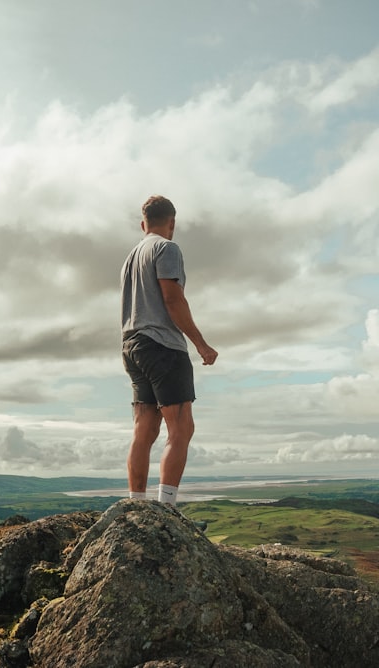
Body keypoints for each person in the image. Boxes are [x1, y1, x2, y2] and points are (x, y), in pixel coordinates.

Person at [120, 195, 217, 505]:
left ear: (142, 224)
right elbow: (173, 299)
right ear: (172, 223)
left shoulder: (132, 256)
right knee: (181, 427)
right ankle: (167, 509)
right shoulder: (166, 248)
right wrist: (200, 343)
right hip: (162, 345)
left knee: (144, 428)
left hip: (132, 345)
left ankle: (136, 504)